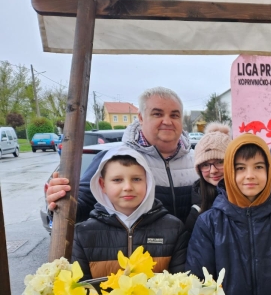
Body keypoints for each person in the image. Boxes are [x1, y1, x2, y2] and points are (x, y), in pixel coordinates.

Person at [186, 134, 271, 295]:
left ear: (269, 170)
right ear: (230, 173)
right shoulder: (209, 223)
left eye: (258, 167)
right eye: (240, 168)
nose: (250, 175)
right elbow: (197, 283)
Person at [45, 86, 196, 223]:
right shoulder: (113, 159)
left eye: (174, 115)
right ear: (141, 118)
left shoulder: (199, 163)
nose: (167, 121)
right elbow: (81, 207)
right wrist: (61, 200)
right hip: (136, 253)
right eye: (157, 114)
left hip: (193, 253)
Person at [72, 145, 188, 280]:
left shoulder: (173, 229)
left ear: (148, 182)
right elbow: (81, 288)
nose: (127, 187)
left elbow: (180, 283)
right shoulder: (83, 233)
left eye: (136, 179)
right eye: (117, 180)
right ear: (103, 185)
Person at [184, 122, 231, 233]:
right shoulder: (198, 206)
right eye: (205, 165)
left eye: (220, 162)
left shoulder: (247, 197)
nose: (213, 170)